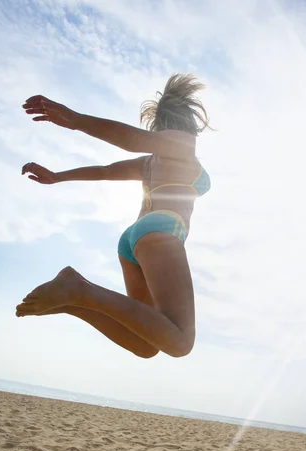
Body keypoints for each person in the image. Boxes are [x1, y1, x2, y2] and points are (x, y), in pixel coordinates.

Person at [16, 74, 211, 359]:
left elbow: (105, 171)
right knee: (180, 342)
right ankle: (80, 290)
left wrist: (58, 177)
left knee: (145, 345)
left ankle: (72, 302)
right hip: (162, 229)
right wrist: (77, 120)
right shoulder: (184, 145)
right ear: (186, 121)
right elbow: (134, 139)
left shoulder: (149, 164)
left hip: (132, 241)